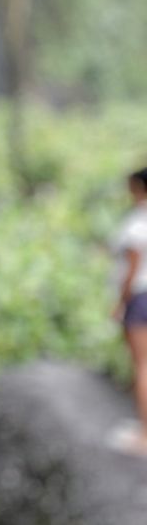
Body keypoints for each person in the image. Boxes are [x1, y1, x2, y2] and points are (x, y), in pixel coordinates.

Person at [109, 165, 147, 457]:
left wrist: (121, 302)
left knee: (142, 366)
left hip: (140, 298)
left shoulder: (137, 224)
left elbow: (131, 272)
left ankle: (144, 434)